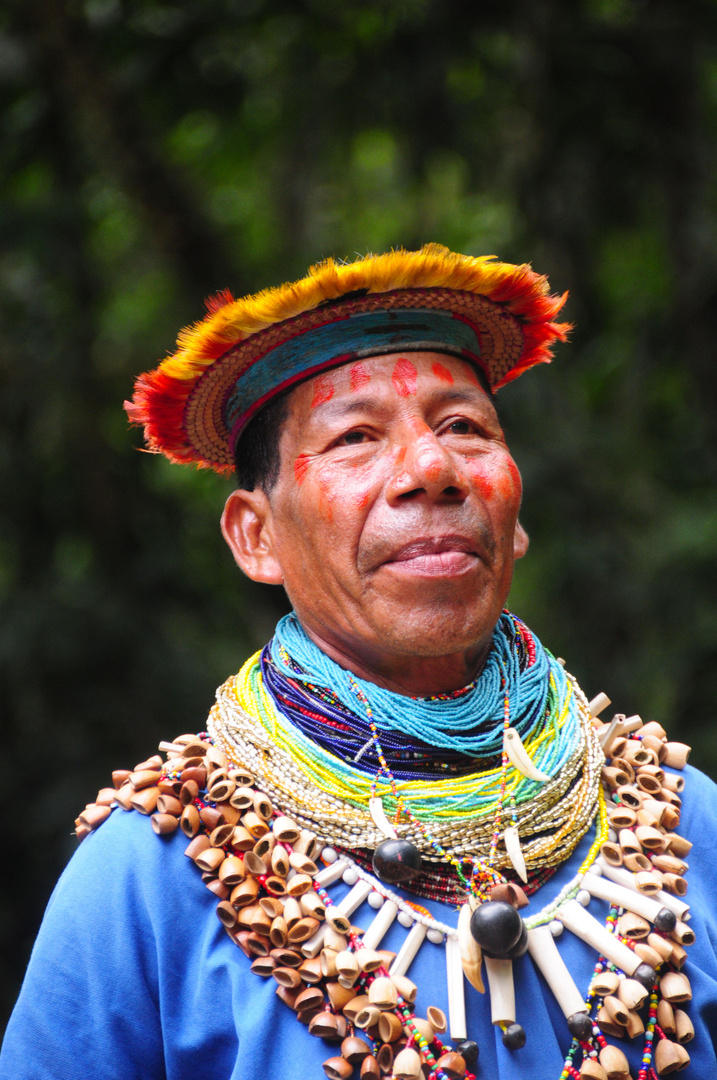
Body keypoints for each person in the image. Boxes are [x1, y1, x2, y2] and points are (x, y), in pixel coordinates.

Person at [2, 244, 716, 1080]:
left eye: (464, 428)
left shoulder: (676, 822)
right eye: (354, 437)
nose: (430, 469)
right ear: (255, 537)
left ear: (516, 516)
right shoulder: (153, 876)